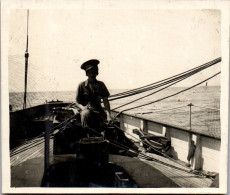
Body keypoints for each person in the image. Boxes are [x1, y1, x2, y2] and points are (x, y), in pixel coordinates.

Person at [76, 59, 112, 132]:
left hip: (99, 111)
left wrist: (108, 115)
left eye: (94, 72)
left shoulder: (101, 84)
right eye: (90, 73)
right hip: (86, 110)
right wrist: (83, 108)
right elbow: (77, 102)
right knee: (86, 114)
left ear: (97, 73)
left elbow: (105, 101)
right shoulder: (81, 85)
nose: (92, 75)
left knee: (109, 125)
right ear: (87, 74)